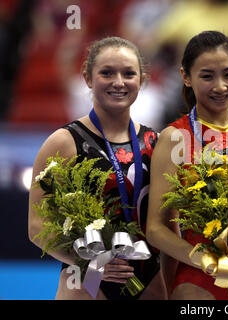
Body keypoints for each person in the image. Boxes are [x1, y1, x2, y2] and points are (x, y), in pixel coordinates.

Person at [28, 36, 165, 300]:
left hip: (149, 280)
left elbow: (169, 223)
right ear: (88, 78)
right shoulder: (63, 142)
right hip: (85, 279)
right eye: (107, 73)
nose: (118, 82)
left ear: (143, 80)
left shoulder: (155, 144)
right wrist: (91, 262)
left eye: (128, 74)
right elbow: (36, 226)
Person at [146, 31, 228, 300]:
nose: (220, 86)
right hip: (198, 279)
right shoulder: (174, 137)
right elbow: (155, 229)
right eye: (207, 76)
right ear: (186, 77)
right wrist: (202, 258)